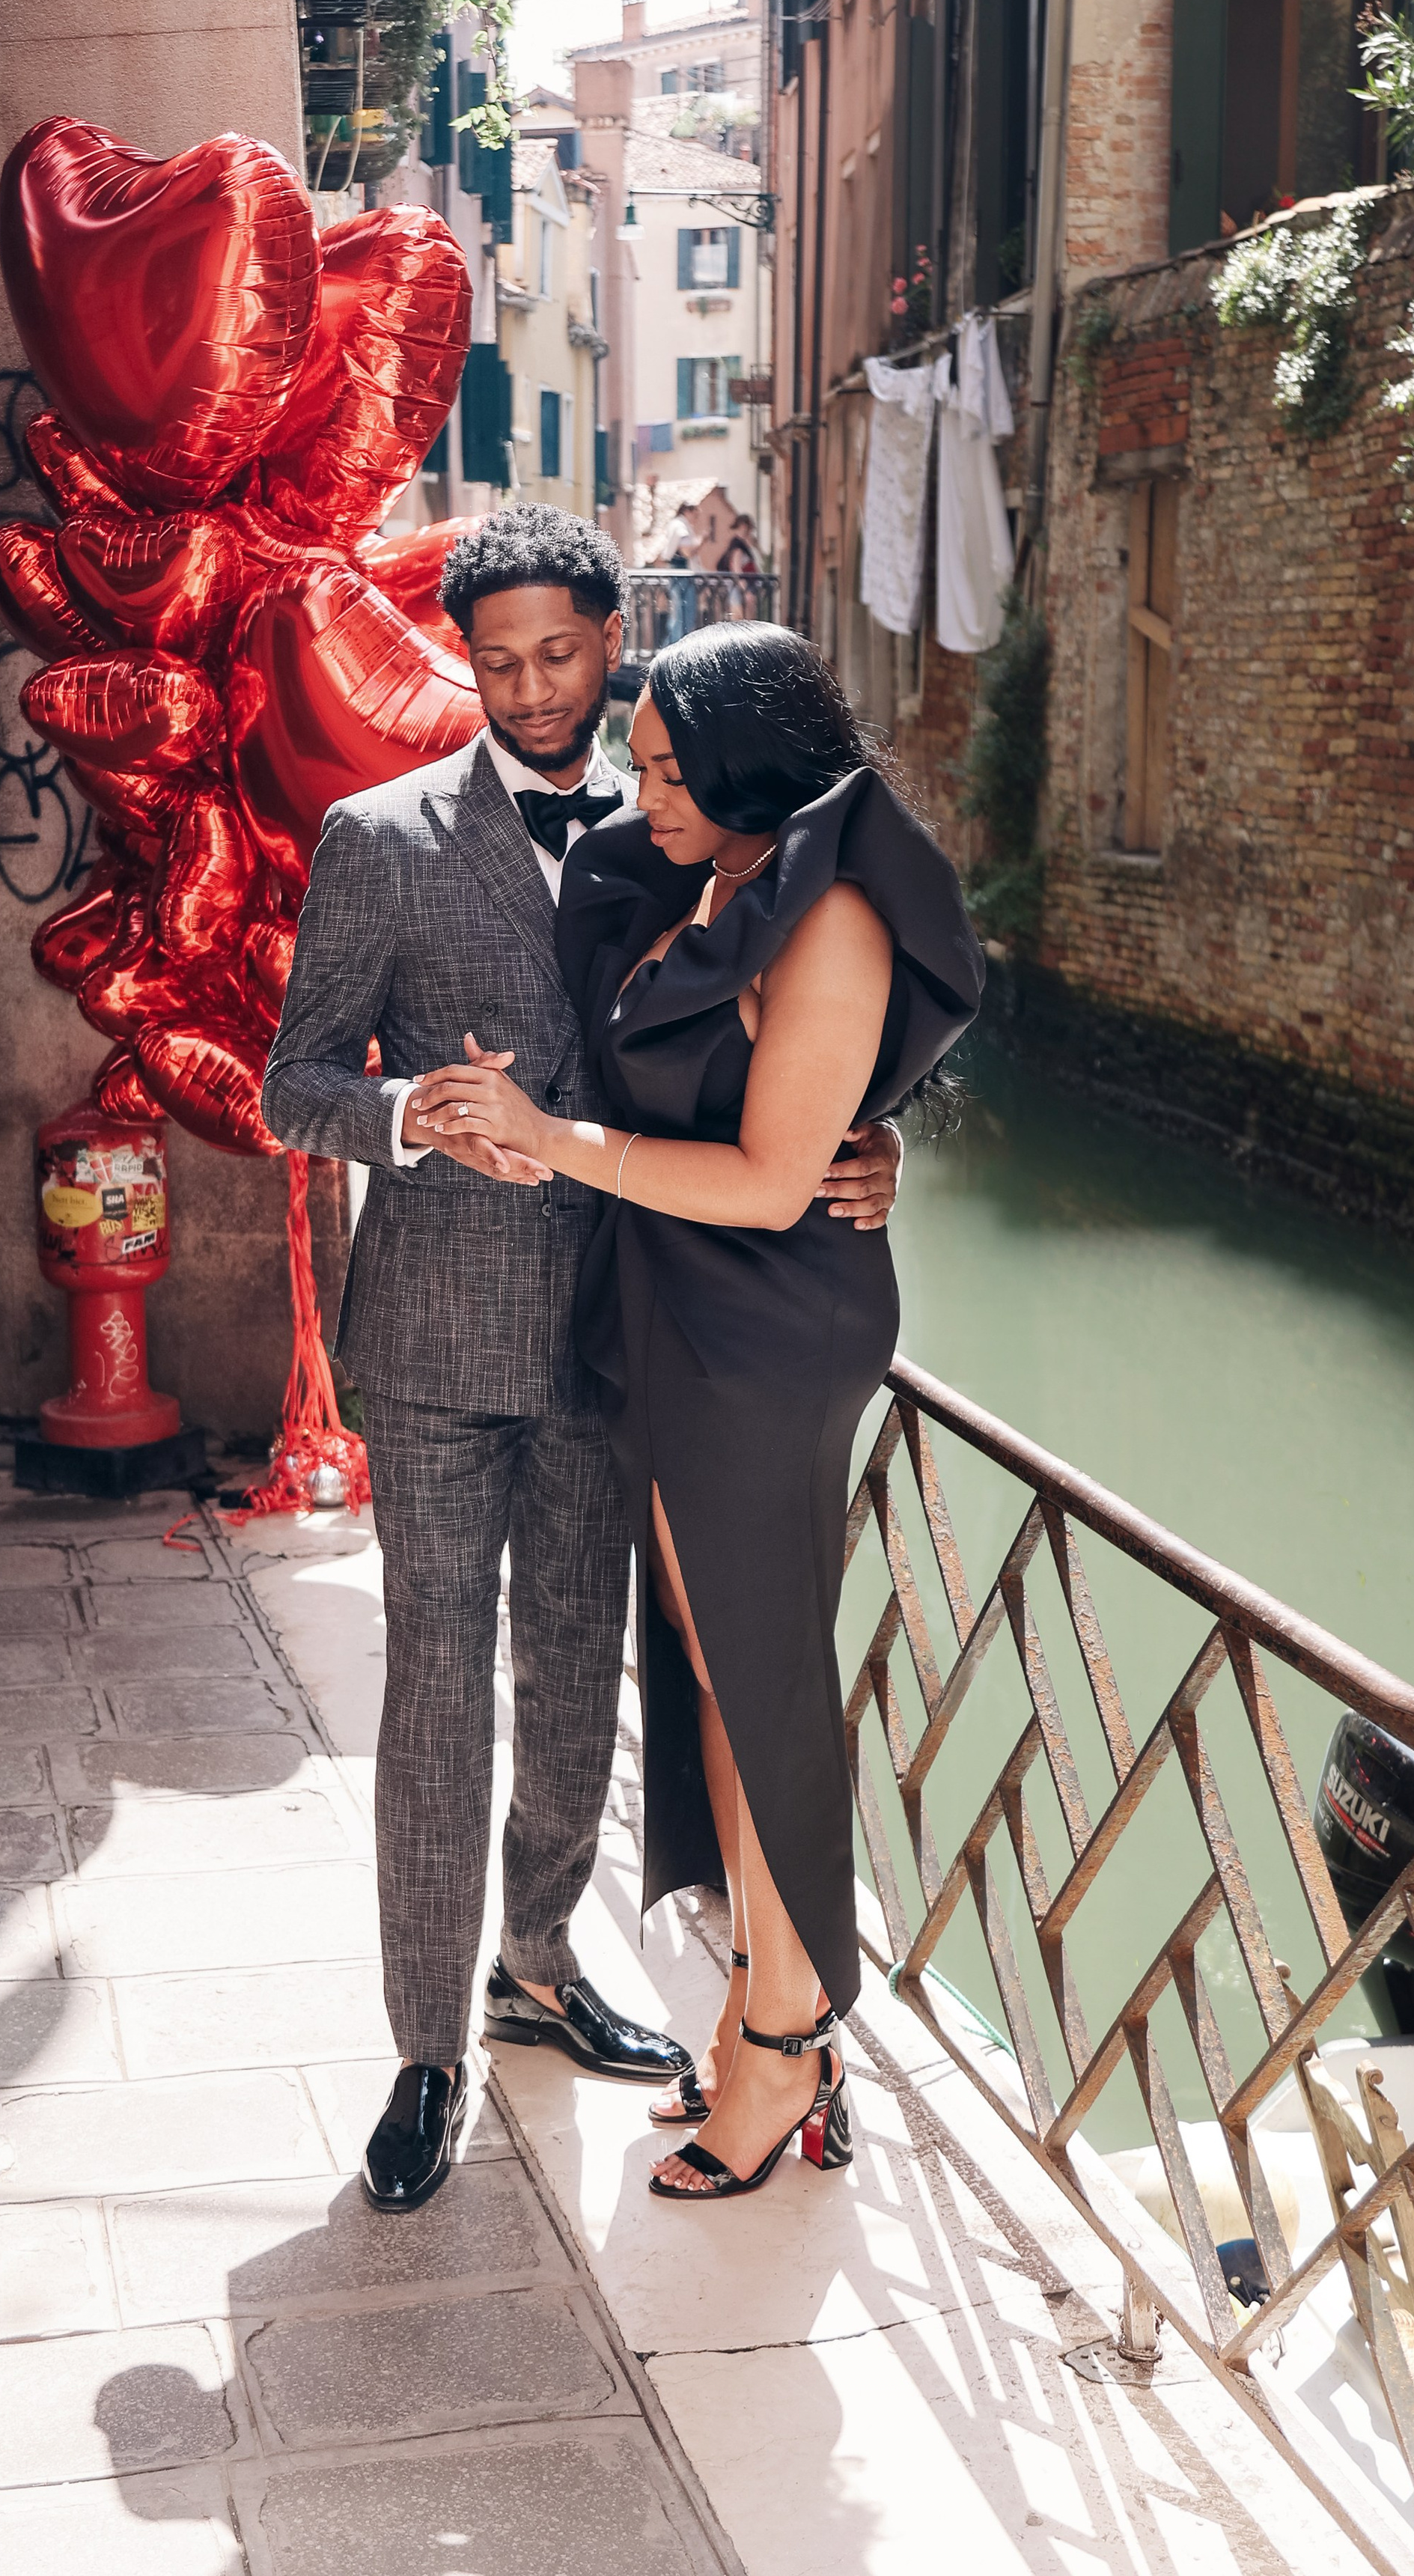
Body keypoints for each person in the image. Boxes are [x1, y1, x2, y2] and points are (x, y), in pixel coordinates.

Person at [260, 513, 904, 2212]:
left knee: (574, 1677)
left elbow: (782, 1053)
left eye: (560, 654)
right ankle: (425, 2050)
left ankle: (538, 1967)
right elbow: (291, 1083)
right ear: (462, 662)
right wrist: (413, 1116)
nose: (533, 688)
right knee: (436, 1682)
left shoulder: (693, 825)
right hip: (434, 1332)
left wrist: (867, 1148)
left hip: (631, 1327)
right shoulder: (378, 837)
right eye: (497, 662)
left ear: (614, 642)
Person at [411, 624, 983, 2202]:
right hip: (672, 1311)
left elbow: (772, 1178)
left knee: (764, 1678)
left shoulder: (829, 917)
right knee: (715, 1668)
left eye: (667, 769)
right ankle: (756, 2003)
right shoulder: (711, 881)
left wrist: (551, 1136)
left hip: (767, 1331)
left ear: (749, 768)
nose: (638, 791)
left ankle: (789, 2041)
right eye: (642, 764)